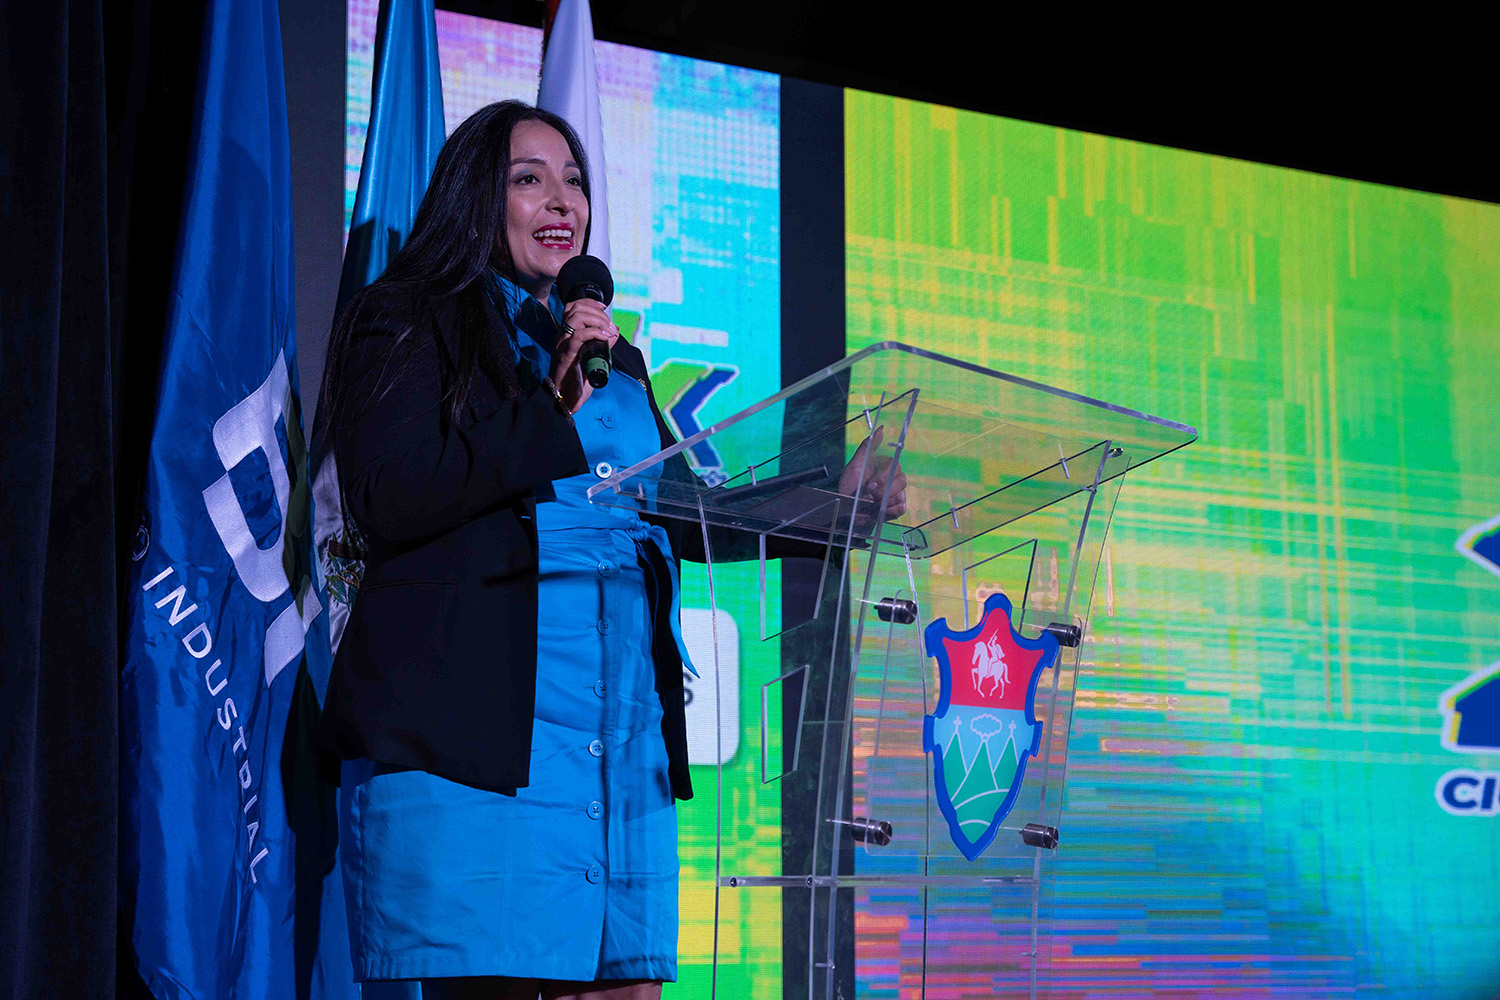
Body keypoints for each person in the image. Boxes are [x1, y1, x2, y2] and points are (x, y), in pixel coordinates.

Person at [314, 100, 904, 1000]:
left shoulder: (615, 364)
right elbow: (390, 494)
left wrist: (831, 510)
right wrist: (547, 412)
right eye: (529, 179)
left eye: (575, 180)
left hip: (616, 751)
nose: (563, 201)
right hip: (479, 752)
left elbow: (682, 513)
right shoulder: (405, 318)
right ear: (475, 197)